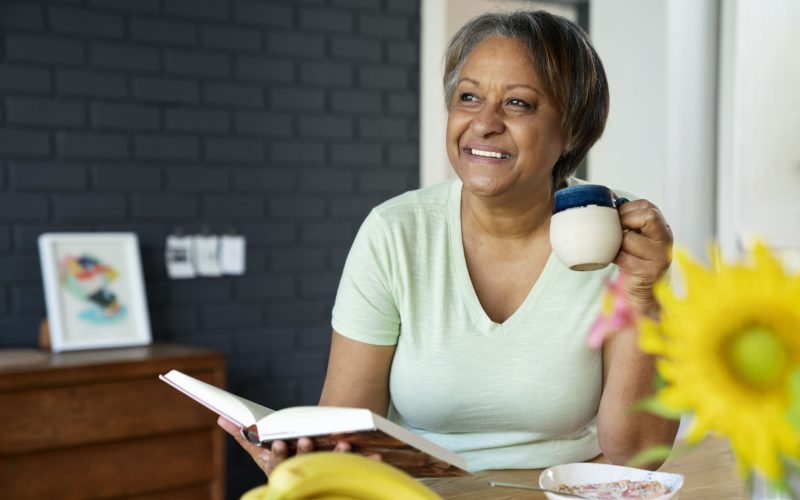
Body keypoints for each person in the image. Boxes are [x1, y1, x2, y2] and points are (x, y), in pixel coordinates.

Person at [220, 10, 679, 477]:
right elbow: (347, 428)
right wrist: (303, 461)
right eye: (469, 97)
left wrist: (644, 295)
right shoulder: (395, 233)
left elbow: (637, 454)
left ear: (572, 130)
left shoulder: (615, 236)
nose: (484, 123)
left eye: (518, 103)